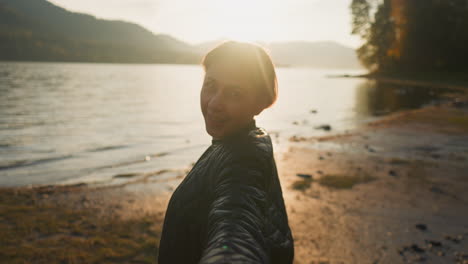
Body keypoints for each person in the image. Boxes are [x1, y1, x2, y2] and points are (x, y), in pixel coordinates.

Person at [158, 41, 294, 264]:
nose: (214, 103)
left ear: (260, 103)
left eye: (234, 93)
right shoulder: (244, 140)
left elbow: (237, 221)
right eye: (210, 85)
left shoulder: (244, 159)